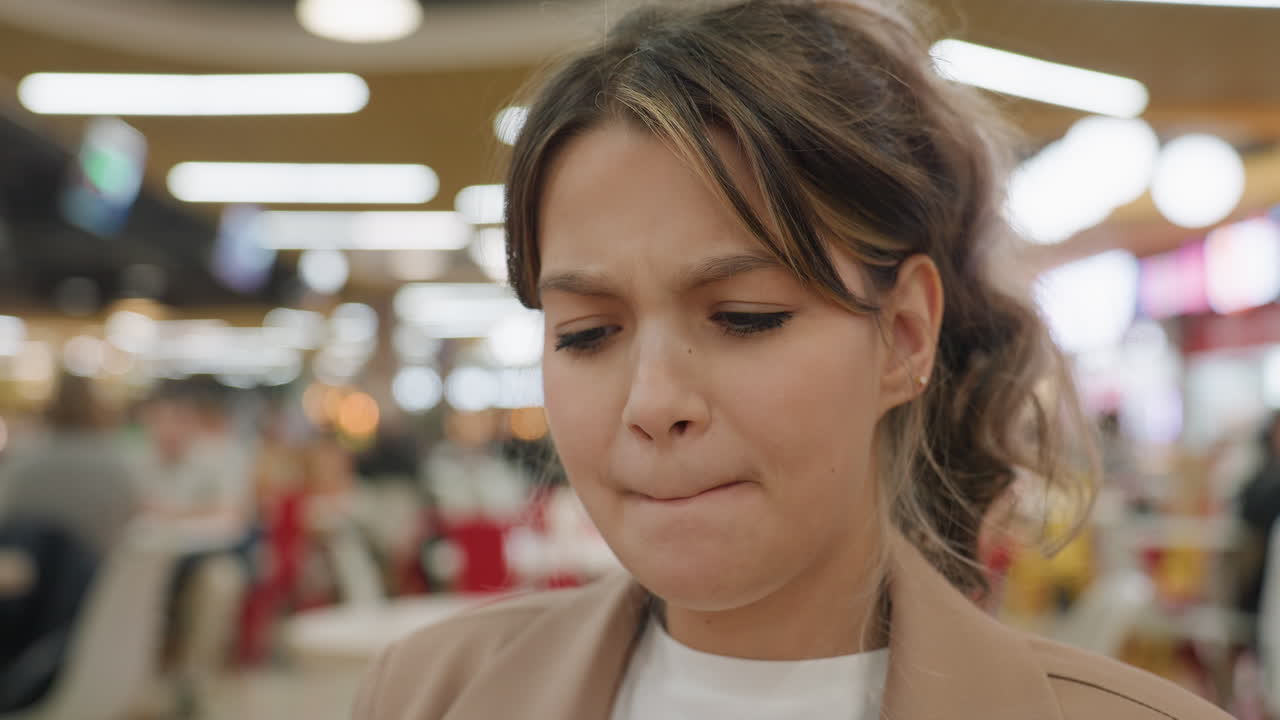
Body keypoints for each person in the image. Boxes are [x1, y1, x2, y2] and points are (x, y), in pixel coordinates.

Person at [355, 1, 1230, 718]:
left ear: (903, 337)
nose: (652, 402)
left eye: (745, 317)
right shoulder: (425, 695)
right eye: (587, 333)